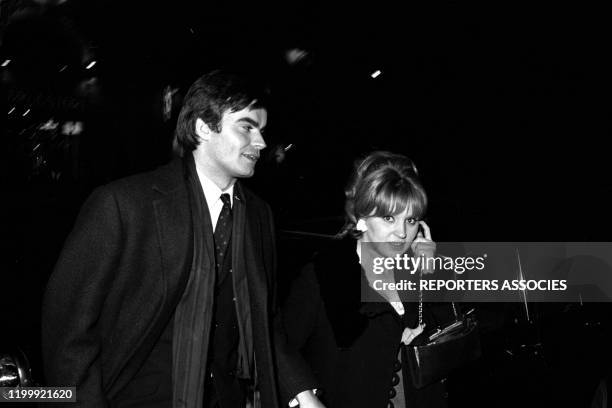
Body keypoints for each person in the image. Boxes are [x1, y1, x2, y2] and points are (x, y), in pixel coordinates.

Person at [41, 70, 324, 408]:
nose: (261, 142)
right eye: (247, 127)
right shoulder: (124, 205)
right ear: (204, 127)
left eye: (262, 130)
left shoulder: (258, 215)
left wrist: (302, 392)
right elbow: (68, 335)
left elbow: (266, 320)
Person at [282, 151, 447, 407]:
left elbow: (450, 339)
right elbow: (280, 347)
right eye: (389, 218)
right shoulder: (324, 275)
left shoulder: (416, 272)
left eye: (411, 220)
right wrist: (305, 396)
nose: (402, 232)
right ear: (361, 219)